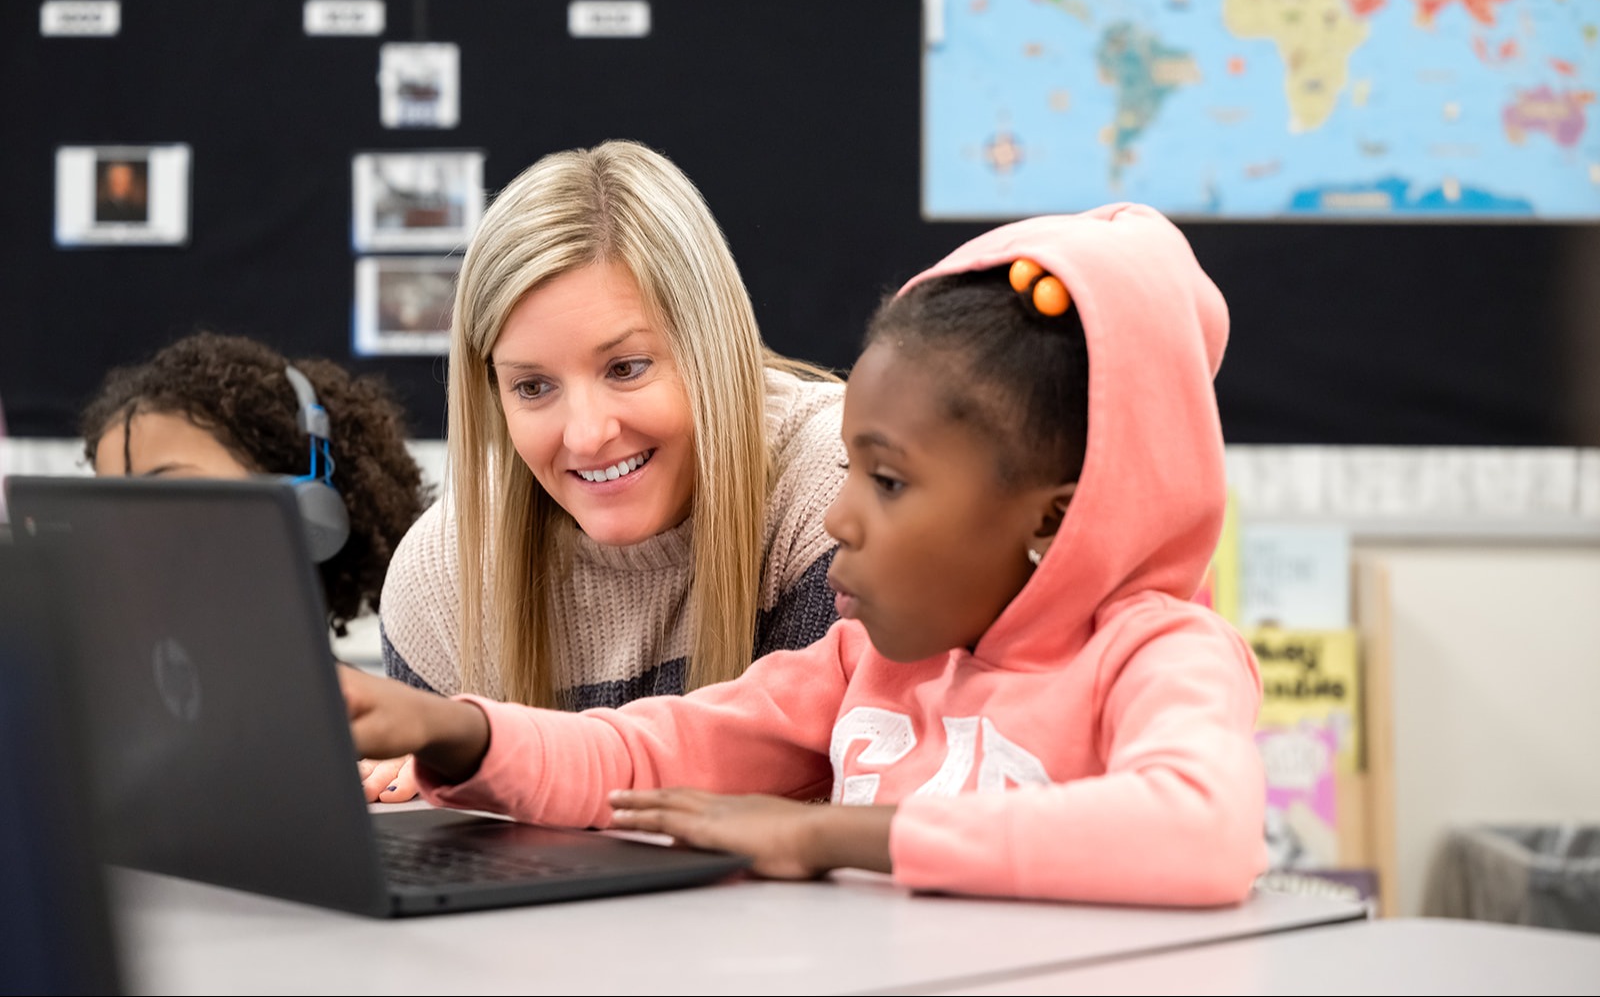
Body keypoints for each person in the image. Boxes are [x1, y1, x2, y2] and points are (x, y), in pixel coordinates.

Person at [339, 204, 1268, 906]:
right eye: (851, 470)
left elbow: (1200, 829)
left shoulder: (1158, 656)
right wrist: (456, 732)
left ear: (1053, 518)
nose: (837, 517)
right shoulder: (863, 663)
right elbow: (652, 749)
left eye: (888, 481)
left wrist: (830, 833)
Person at [368, 141, 846, 801]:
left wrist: (490, 754)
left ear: (712, 346)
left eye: (626, 368)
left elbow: (811, 792)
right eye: (533, 387)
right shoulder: (442, 578)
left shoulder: (847, 495)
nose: (588, 435)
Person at [82, 332, 428, 636]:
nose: (126, 536)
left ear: (305, 514)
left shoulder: (360, 708)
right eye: (110, 506)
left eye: (171, 493)